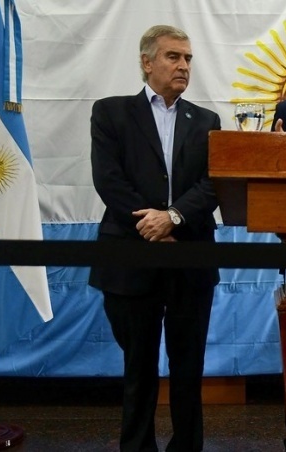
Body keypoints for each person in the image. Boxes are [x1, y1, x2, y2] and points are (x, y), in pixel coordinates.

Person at [89, 25, 221, 452]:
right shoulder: (110, 113)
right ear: (147, 63)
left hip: (189, 257)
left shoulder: (206, 121)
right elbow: (109, 182)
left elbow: (212, 184)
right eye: (173, 57)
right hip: (131, 257)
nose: (183, 66)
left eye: (188, 59)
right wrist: (149, 225)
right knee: (138, 370)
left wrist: (173, 218)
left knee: (188, 370)